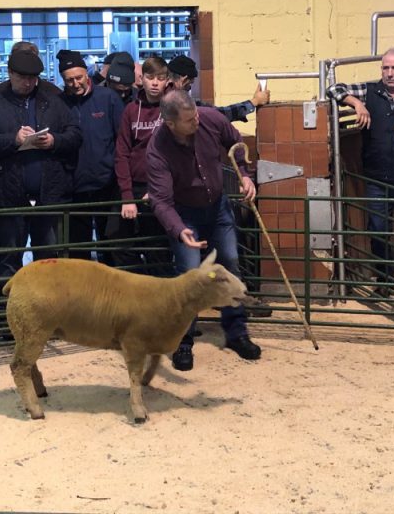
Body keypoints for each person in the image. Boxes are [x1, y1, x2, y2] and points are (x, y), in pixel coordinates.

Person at [146, 89, 262, 370]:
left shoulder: (210, 118)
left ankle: (237, 333)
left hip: (218, 205)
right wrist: (178, 229)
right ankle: (182, 341)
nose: (196, 121)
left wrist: (244, 174)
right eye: (189, 120)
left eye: (195, 115)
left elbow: (235, 142)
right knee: (189, 274)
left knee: (231, 263)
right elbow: (160, 200)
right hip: (184, 212)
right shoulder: (157, 149)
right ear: (170, 123)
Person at [0, 48, 82, 291]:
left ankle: (46, 307)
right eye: (23, 77)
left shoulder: (53, 100)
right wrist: (13, 140)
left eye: (33, 78)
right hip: (8, 197)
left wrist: (55, 141)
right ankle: (6, 309)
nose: (28, 83)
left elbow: (75, 133)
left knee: (47, 259)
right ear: (10, 73)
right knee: (9, 258)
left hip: (46, 196)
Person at [326, 47, 394, 287]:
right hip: (376, 178)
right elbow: (333, 89)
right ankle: (384, 279)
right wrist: (356, 104)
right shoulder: (370, 91)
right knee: (378, 229)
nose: (389, 73)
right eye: (385, 68)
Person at [58, 49, 125, 263]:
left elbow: (122, 141)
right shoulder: (59, 104)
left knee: (110, 245)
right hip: (74, 188)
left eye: (79, 77)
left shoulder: (108, 98)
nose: (75, 83)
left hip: (106, 185)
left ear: (87, 73)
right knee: (78, 251)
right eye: (69, 80)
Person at [114, 55, 171, 267]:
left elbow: (180, 153)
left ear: (167, 81)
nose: (155, 83)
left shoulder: (173, 107)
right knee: (122, 246)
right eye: (150, 77)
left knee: (159, 249)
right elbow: (122, 153)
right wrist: (127, 196)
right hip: (134, 185)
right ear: (141, 79)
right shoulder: (131, 110)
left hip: (163, 186)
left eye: (160, 78)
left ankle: (159, 286)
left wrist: (160, 188)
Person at [166, 55, 270, 122]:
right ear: (183, 80)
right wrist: (254, 101)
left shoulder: (162, 99)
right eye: (189, 85)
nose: (189, 90)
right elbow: (218, 114)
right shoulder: (179, 104)